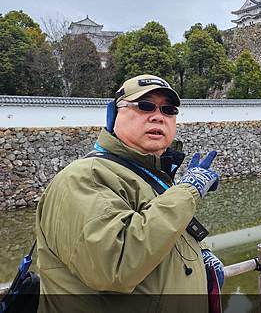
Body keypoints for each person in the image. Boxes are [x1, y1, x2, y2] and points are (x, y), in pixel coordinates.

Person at [35, 75, 223, 312]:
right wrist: (189, 191)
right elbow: (115, 264)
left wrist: (200, 259)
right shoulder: (85, 177)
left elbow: (160, 239)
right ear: (113, 115)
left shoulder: (150, 176)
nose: (158, 115)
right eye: (144, 106)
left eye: (168, 109)